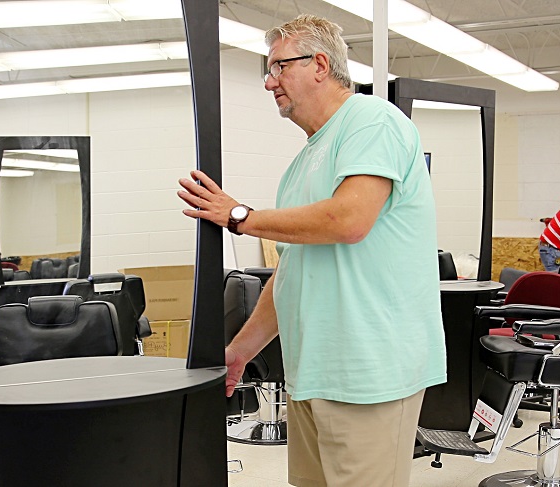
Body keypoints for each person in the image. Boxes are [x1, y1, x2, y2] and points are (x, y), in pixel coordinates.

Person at [177, 14, 446, 487]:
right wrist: (240, 350)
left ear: (320, 64)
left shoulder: (372, 120)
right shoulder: (305, 159)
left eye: (279, 67)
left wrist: (239, 216)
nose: (268, 82)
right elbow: (292, 271)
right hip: (313, 372)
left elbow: (349, 220)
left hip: (369, 374)